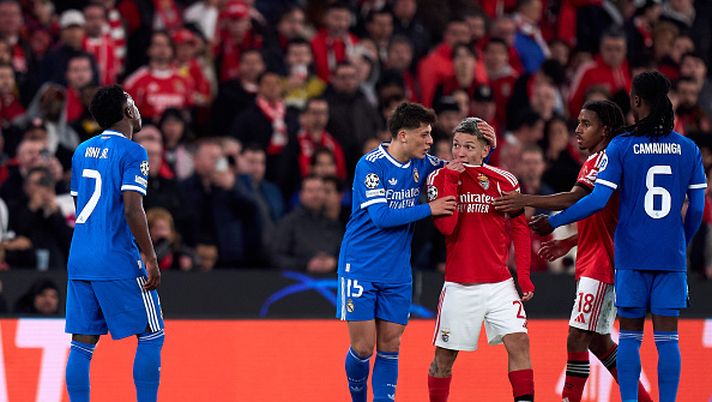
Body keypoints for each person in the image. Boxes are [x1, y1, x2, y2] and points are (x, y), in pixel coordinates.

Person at [529, 72, 707, 402]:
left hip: (629, 258)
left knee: (629, 338)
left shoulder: (623, 147)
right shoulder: (688, 148)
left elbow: (595, 200)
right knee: (668, 340)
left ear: (636, 102)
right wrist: (680, 240)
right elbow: (697, 209)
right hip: (670, 256)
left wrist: (555, 221)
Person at [494, 100, 653, 402]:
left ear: (604, 128)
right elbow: (606, 215)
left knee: (577, 336)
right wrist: (570, 242)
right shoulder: (608, 159)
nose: (577, 130)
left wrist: (525, 200)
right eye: (578, 122)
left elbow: (574, 198)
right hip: (600, 256)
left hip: (603, 263)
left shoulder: (603, 160)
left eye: (585, 124)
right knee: (598, 342)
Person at [338, 102, 455, 402]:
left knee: (390, 345)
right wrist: (429, 208)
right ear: (403, 135)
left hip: (397, 271)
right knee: (363, 348)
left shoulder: (424, 164)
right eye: (424, 135)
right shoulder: (370, 165)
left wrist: (484, 148)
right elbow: (381, 217)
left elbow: (459, 169)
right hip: (360, 265)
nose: (430, 142)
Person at [65, 85, 164, 402]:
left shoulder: (81, 151)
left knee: (82, 342)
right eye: (133, 101)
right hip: (116, 256)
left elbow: (80, 206)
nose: (137, 106)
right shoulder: (134, 152)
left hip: (80, 256)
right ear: (128, 112)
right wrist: (149, 256)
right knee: (152, 334)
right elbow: (132, 208)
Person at [425, 117, 534, 402]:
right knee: (444, 359)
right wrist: (452, 179)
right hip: (460, 285)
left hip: (499, 283)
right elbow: (447, 228)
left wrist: (523, 275)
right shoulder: (438, 178)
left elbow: (521, 230)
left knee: (520, 343)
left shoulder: (505, 181)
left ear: (485, 150)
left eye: (468, 147)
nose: (459, 152)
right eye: (456, 145)